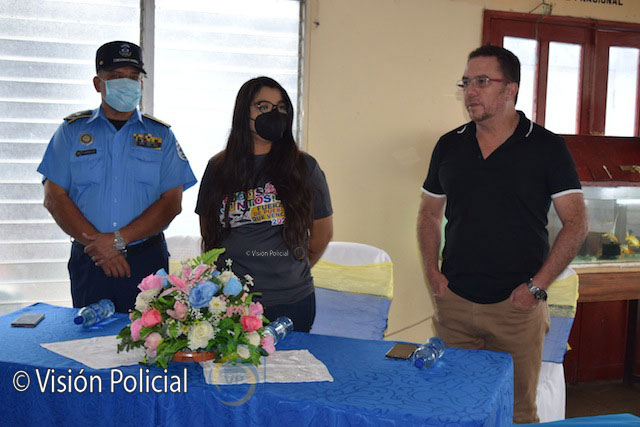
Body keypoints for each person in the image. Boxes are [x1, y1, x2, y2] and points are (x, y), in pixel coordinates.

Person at [417, 45, 588, 424]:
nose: (470, 91)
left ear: (511, 89)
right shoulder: (450, 144)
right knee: (453, 407)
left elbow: (576, 223)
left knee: (516, 414)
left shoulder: (546, 147)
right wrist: (432, 273)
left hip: (517, 309)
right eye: (466, 82)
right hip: (455, 305)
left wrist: (537, 287)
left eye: (482, 81)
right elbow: (429, 214)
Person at [38, 41, 197, 313]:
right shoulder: (71, 132)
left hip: (146, 261)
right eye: (116, 76)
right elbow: (54, 197)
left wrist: (116, 241)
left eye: (133, 77)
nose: (127, 83)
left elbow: (172, 202)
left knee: (150, 336)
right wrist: (100, 248)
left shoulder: (161, 135)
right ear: (98, 83)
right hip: (91, 261)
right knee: (90, 336)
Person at [196, 76, 333, 332]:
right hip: (233, 301)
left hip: (292, 301)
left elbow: (322, 234)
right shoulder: (218, 168)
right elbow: (208, 231)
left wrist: (289, 272)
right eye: (263, 107)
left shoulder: (304, 167)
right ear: (243, 112)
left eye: (281, 108)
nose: (274, 114)